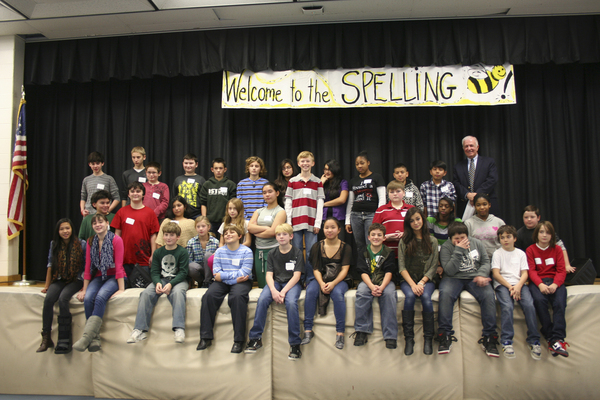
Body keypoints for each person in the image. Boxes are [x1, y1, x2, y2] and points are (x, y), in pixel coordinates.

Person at [437, 222, 499, 357]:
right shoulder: (446, 247)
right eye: (456, 239)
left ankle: (489, 337)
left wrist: (482, 274)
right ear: (450, 238)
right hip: (453, 278)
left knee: (488, 295)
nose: (460, 241)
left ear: (468, 236)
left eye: (463, 238)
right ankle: (445, 335)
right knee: (445, 293)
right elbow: (449, 270)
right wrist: (458, 250)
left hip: (474, 277)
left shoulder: (477, 243)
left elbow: (485, 262)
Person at [245, 223, 304, 360]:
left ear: (291, 236)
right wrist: (273, 290)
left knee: (290, 303)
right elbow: (269, 275)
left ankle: (295, 344)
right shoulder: (272, 253)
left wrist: (283, 292)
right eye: (278, 234)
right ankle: (255, 338)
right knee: (263, 299)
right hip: (276, 283)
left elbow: (297, 276)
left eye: (284, 234)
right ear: (275, 237)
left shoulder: (297, 253)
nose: (281, 237)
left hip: (291, 284)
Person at [127, 222, 189, 344]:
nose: (169, 238)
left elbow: (183, 273)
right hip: (161, 279)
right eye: (166, 235)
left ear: (178, 237)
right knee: (145, 294)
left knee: (178, 293)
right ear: (163, 236)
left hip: (178, 280)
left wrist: (171, 284)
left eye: (172, 235)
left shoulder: (182, 252)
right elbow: (154, 272)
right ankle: (139, 329)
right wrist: (157, 283)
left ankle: (179, 328)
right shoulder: (158, 252)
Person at [197, 225, 253, 354]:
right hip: (226, 281)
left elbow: (244, 272)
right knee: (208, 296)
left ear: (240, 236)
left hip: (242, 282)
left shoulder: (246, 251)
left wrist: (224, 277)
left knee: (237, 297)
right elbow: (216, 272)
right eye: (226, 233)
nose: (227, 234)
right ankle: (205, 337)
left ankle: (239, 340)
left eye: (231, 232)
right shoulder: (220, 251)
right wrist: (231, 279)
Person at [73, 214, 125, 352]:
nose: (98, 225)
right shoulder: (91, 241)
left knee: (101, 297)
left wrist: (121, 289)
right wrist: (84, 289)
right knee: (89, 298)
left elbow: (119, 266)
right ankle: (94, 338)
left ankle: (86, 336)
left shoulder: (116, 239)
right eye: (95, 223)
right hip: (99, 275)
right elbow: (88, 267)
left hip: (115, 276)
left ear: (107, 223)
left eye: (100, 222)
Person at [491, 225, 542, 360]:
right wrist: (510, 287)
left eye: (508, 237)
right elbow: (496, 274)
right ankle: (507, 341)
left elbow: (525, 273)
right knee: (507, 306)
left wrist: (518, 286)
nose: (505, 240)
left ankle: (534, 340)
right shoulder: (497, 253)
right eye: (502, 238)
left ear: (514, 238)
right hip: (503, 285)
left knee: (529, 306)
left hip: (519, 285)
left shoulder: (521, 253)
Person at [37, 219, 86, 354]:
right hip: (59, 278)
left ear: (72, 229)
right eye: (62, 229)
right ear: (58, 231)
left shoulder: (81, 244)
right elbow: (50, 265)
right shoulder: (54, 245)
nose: (65, 231)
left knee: (64, 298)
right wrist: (47, 286)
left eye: (67, 228)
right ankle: (46, 337)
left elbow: (88, 267)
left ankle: (64, 338)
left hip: (76, 279)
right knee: (48, 300)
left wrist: (86, 286)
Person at [302, 217, 351, 350]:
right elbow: (316, 269)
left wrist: (333, 283)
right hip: (320, 278)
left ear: (339, 230)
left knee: (337, 294)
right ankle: (307, 330)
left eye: (333, 227)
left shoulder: (346, 247)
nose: (329, 230)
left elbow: (345, 270)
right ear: (323, 230)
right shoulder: (317, 246)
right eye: (326, 228)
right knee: (311, 292)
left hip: (339, 279)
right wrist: (322, 283)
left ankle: (340, 333)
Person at [398, 208, 438, 355]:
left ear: (423, 219)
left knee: (426, 299)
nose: (415, 223)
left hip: (426, 280)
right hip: (408, 281)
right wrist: (413, 284)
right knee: (409, 298)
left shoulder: (432, 240)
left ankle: (428, 339)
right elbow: (401, 267)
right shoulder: (404, 241)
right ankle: (409, 339)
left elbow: (433, 266)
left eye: (418, 219)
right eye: (412, 220)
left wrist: (421, 282)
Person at [526, 221, 570, 357]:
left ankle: (558, 338)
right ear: (536, 234)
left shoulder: (556, 249)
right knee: (539, 301)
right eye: (541, 232)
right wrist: (540, 284)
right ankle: (550, 336)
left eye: (548, 232)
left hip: (555, 282)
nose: (544, 235)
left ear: (552, 235)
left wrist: (555, 284)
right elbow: (531, 271)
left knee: (559, 303)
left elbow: (562, 270)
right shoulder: (530, 250)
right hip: (538, 282)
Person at [351, 223, 398, 350]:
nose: (376, 237)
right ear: (369, 237)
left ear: (384, 238)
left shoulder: (389, 252)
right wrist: (372, 287)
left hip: (385, 282)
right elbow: (363, 272)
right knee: (361, 292)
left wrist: (381, 288)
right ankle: (362, 331)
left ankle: (390, 336)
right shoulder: (363, 252)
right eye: (373, 235)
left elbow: (389, 272)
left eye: (379, 235)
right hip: (369, 282)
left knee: (389, 295)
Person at [284, 151, 325, 283]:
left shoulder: (318, 182)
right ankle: (298, 279)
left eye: (308, 161)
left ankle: (311, 279)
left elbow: (320, 203)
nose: (305, 163)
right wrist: (288, 222)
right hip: (295, 222)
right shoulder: (292, 181)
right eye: (302, 161)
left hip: (311, 222)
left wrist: (318, 223)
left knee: (310, 253)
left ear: (312, 163)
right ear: (298, 163)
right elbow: (288, 202)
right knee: (296, 252)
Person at [110, 181, 160, 280]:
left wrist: (153, 255)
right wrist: (116, 255)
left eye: (138, 191)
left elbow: (153, 236)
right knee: (125, 290)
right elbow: (117, 235)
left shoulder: (150, 213)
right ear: (128, 194)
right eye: (132, 191)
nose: (135, 193)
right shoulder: (121, 212)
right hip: (124, 259)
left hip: (144, 259)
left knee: (141, 289)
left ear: (143, 194)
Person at [345, 151, 386, 253]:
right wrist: (347, 221)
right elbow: (350, 202)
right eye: (357, 164)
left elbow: (382, 198)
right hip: (355, 216)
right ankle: (363, 267)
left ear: (368, 163)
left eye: (362, 163)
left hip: (372, 215)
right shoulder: (353, 181)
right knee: (360, 245)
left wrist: (379, 216)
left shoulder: (377, 177)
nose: (359, 166)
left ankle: (373, 268)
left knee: (372, 243)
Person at [248, 182, 287, 288]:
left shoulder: (280, 211)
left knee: (270, 286)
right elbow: (250, 227)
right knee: (261, 284)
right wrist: (266, 228)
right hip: (259, 251)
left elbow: (273, 232)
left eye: (270, 191)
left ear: (277, 193)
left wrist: (257, 232)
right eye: (264, 193)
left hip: (273, 251)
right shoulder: (258, 211)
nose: (267, 195)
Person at [516, 205, 575, 273]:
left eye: (532, 217)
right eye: (526, 217)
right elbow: (518, 255)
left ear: (538, 218)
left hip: (550, 265)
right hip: (531, 267)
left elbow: (561, 247)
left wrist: (567, 265)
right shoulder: (519, 234)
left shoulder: (546, 229)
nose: (529, 219)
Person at [452, 135, 499, 218]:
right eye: (466, 146)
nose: (469, 148)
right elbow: (456, 183)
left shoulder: (489, 162)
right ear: (463, 148)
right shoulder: (458, 166)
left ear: (477, 147)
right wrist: (467, 194)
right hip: (465, 204)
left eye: (471, 145)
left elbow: (492, 179)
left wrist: (477, 195)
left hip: (486, 202)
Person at [372, 181, 414, 256]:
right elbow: (374, 231)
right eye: (392, 192)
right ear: (388, 194)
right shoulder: (381, 210)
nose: (395, 194)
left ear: (404, 193)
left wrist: (406, 234)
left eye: (398, 191)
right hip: (387, 252)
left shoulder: (412, 209)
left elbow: (418, 229)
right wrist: (385, 237)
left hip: (408, 251)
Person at [199, 157, 237, 237]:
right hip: (210, 221)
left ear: (225, 169)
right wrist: (204, 220)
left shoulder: (230, 184)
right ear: (212, 169)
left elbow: (233, 204)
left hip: (226, 220)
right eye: (216, 168)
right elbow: (203, 203)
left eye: (221, 168)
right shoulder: (207, 184)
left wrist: (230, 219)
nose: (218, 170)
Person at [464, 193, 505, 259]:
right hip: (477, 261)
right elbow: (466, 244)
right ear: (474, 206)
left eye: (484, 204)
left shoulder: (499, 222)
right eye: (478, 205)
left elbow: (505, 242)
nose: (482, 207)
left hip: (497, 259)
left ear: (489, 205)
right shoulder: (468, 223)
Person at [80, 151, 120, 216]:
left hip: (103, 215)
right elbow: (83, 197)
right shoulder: (86, 180)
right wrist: (82, 210)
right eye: (93, 164)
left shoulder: (109, 179)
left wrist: (107, 210)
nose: (95, 166)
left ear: (102, 163)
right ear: (89, 164)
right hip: (89, 213)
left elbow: (117, 198)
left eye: (97, 163)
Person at [319, 159, 349, 242]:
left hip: (338, 218)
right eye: (325, 169)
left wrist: (324, 204)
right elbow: (314, 199)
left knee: (339, 244)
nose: (327, 172)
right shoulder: (322, 183)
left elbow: (342, 199)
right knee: (323, 245)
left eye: (329, 169)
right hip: (323, 218)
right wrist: (320, 184)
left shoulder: (343, 183)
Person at [172, 153, 206, 219]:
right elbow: (173, 198)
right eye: (186, 163)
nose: (188, 165)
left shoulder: (201, 180)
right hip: (181, 214)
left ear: (196, 164)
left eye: (191, 163)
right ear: (182, 164)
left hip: (196, 215)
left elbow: (204, 200)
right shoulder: (178, 180)